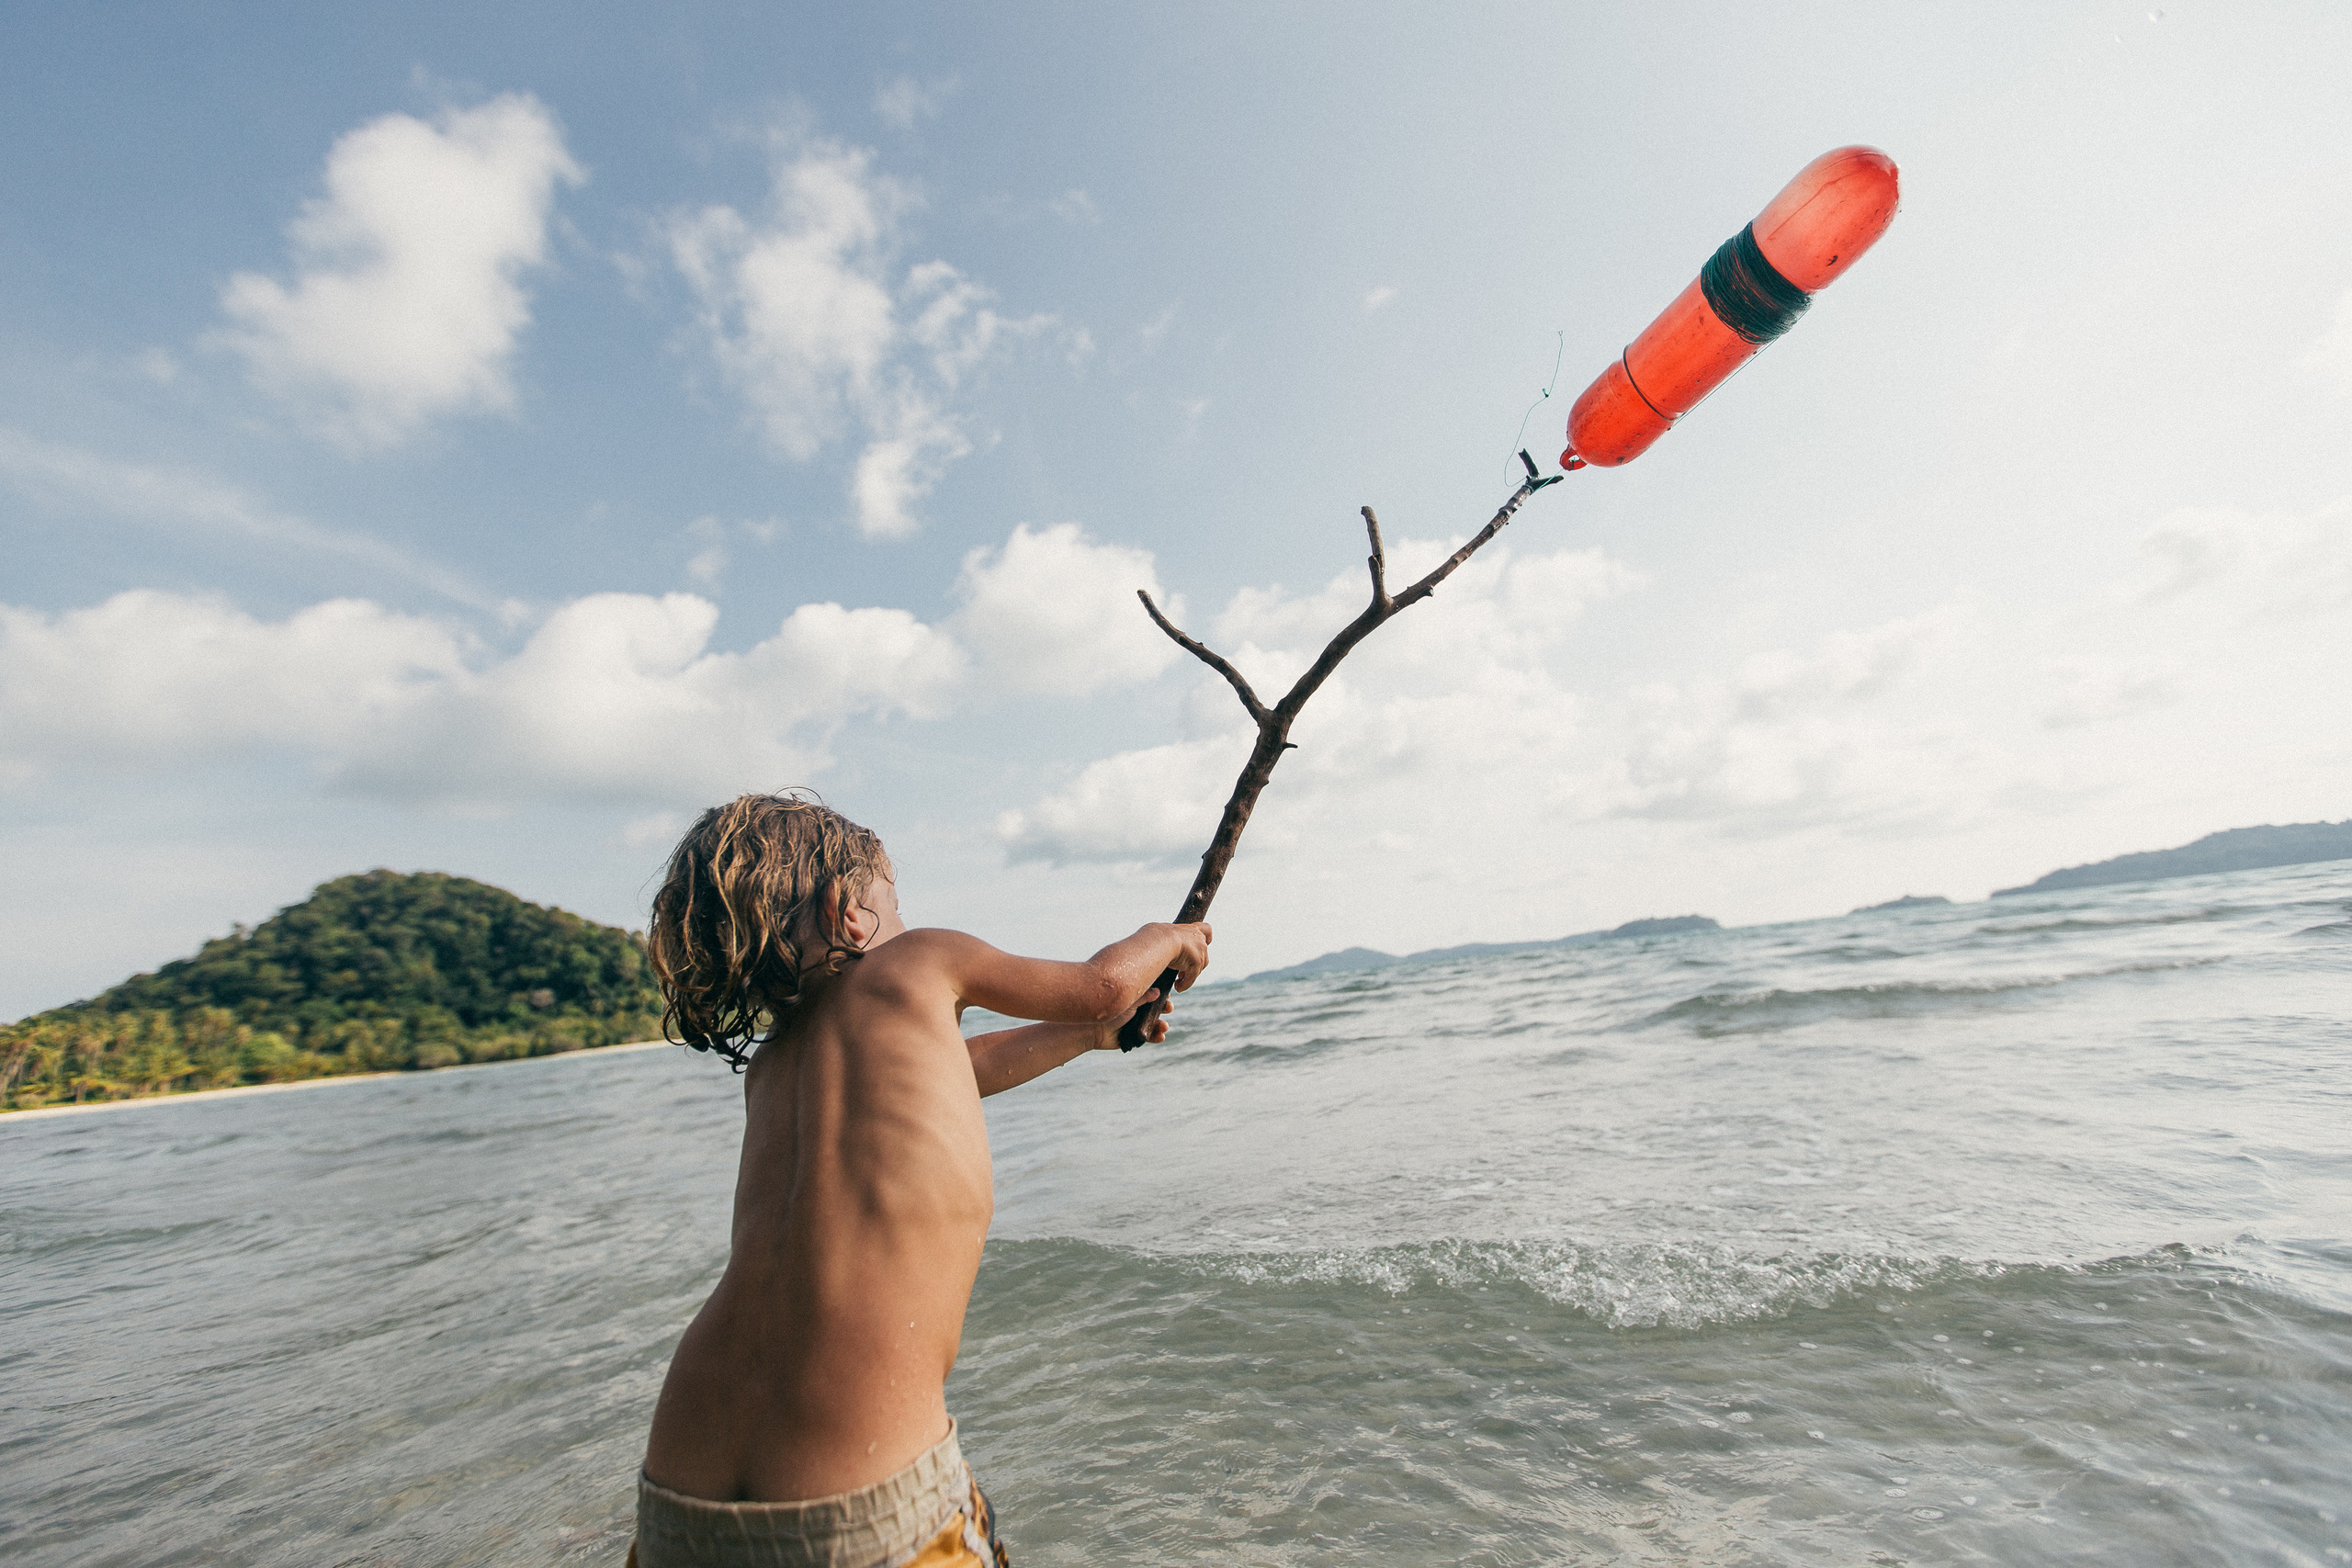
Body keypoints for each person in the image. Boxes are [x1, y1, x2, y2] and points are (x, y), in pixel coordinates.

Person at [627, 793, 1211, 1568]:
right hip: (853, 1504)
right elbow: (1102, 983)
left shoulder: (770, 1070)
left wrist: (1087, 1038)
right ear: (851, 911)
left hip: (680, 1496)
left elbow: (952, 1070)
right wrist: (1165, 938)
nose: (907, 917)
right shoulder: (919, 958)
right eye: (895, 900)